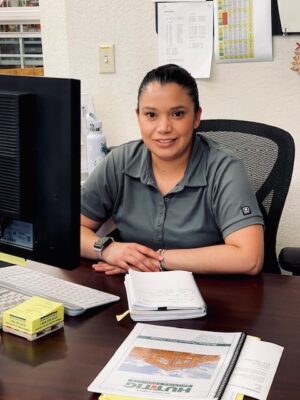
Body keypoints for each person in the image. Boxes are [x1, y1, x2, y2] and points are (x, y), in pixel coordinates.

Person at [81, 64, 264, 275]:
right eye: (151, 115)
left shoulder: (224, 168)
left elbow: (249, 258)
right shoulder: (119, 162)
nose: (163, 127)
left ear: (196, 117)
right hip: (135, 292)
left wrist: (156, 260)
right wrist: (107, 249)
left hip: (214, 294)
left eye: (177, 114)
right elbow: (67, 230)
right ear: (138, 116)